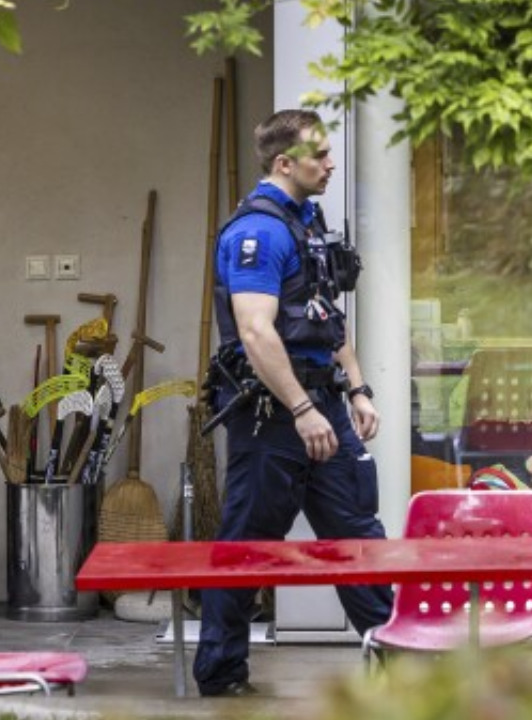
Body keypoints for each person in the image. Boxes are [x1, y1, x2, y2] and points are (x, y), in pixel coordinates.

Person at [194, 109, 393, 697]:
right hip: (272, 416)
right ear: (284, 163)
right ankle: (221, 674)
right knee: (248, 545)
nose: (331, 164)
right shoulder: (258, 233)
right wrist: (303, 410)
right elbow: (256, 332)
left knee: (357, 535)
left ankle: (397, 662)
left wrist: (356, 387)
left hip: (323, 402)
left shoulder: (308, 224)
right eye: (319, 155)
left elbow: (326, 317)